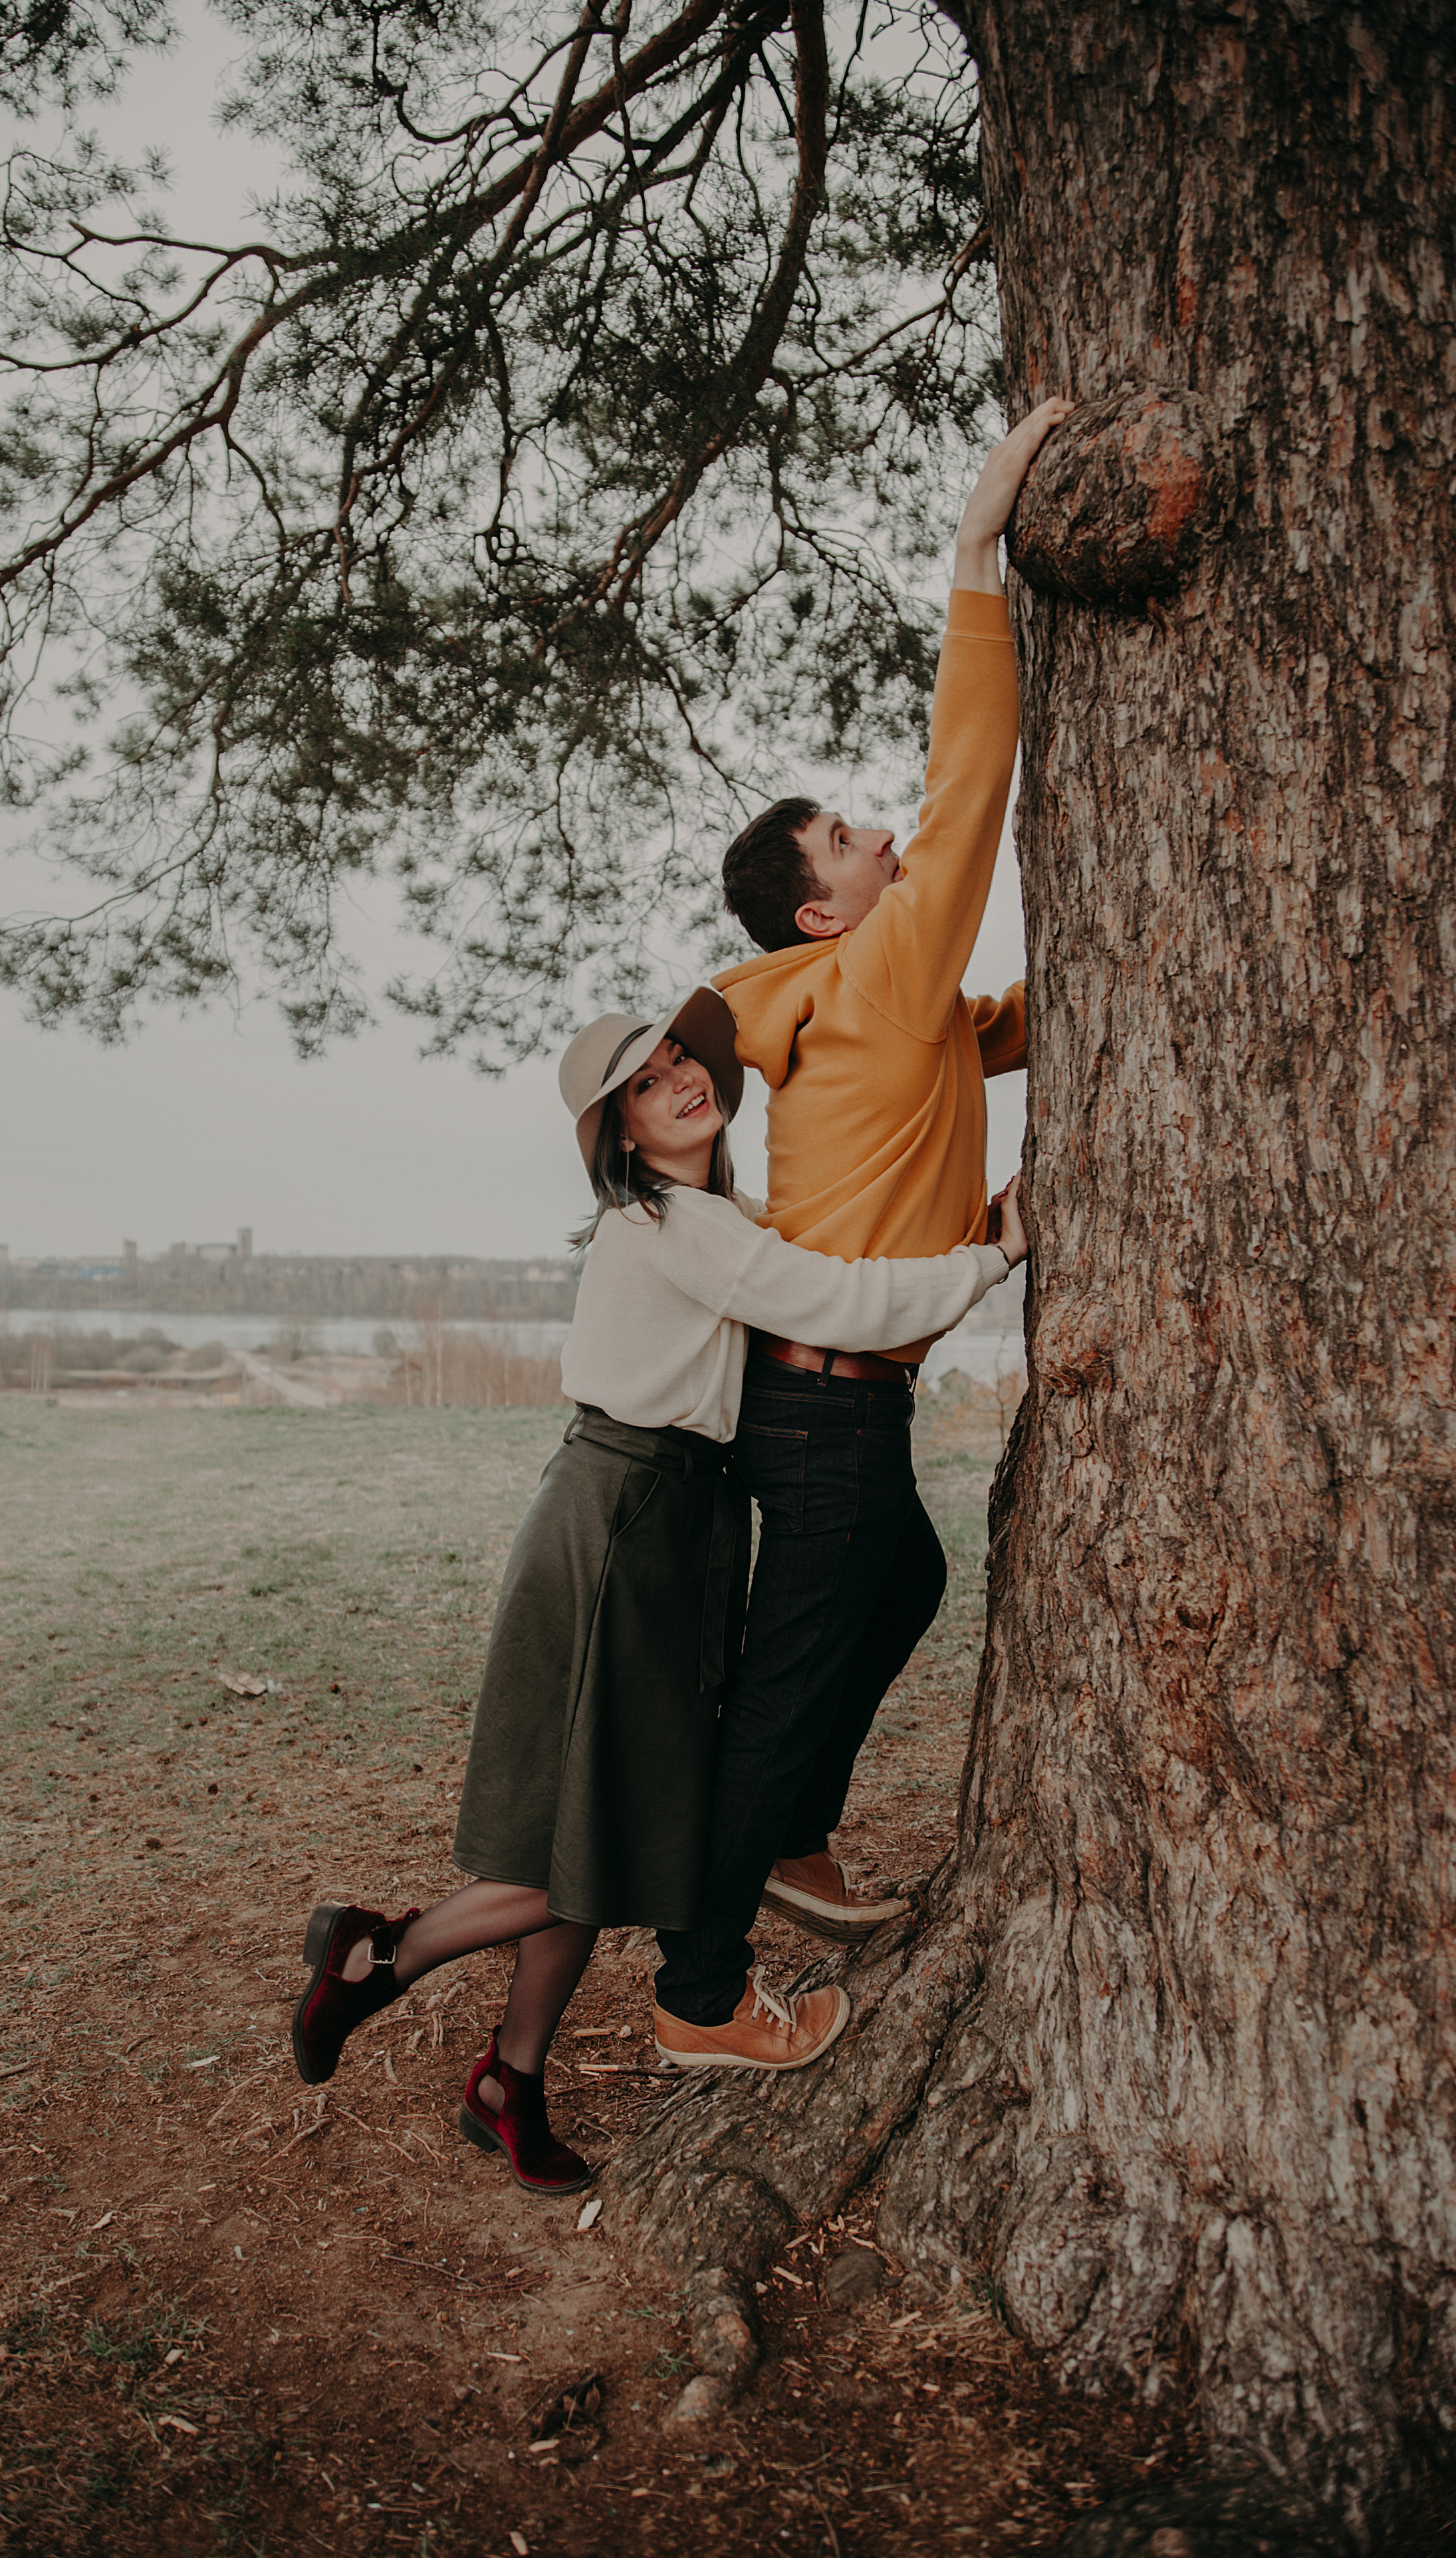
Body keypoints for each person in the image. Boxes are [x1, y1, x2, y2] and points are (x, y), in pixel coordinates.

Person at [291, 987, 1023, 2187]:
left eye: (682, 1058)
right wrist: (992, 1255)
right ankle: (382, 1956)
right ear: (620, 1134)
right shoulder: (672, 1222)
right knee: (603, 1835)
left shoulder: (711, 1213)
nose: (681, 1078)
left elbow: (824, 1263)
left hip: (672, 1517)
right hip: (624, 1519)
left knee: (599, 1816)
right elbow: (838, 1303)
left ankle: (510, 2079)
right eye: (645, 1083)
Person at [649, 399, 1070, 2062]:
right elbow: (967, 793)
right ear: (825, 910)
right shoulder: (874, 972)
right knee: (775, 1692)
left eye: (858, 820)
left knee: (898, 1574)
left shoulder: (859, 998)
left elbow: (991, 1030)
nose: (884, 835)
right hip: (822, 1402)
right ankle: (695, 1997)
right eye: (850, 838)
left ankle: (796, 1848)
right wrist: (971, 565)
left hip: (822, 1398)